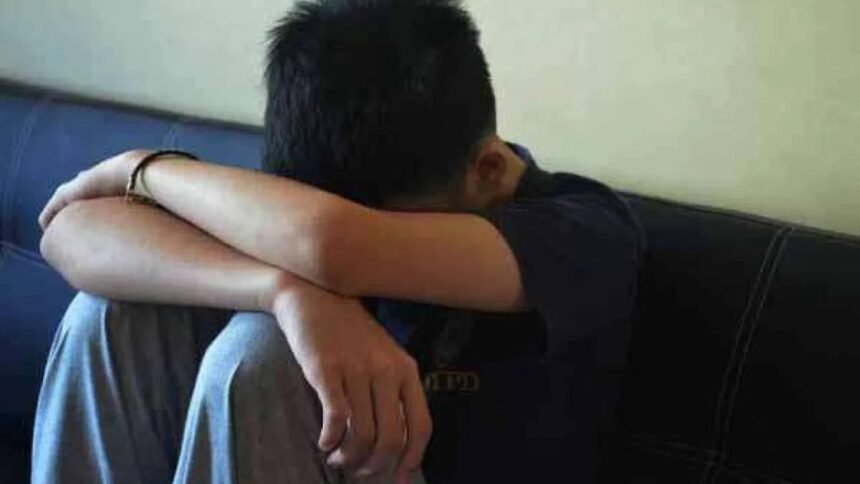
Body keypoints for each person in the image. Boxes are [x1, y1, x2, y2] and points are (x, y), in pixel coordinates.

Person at [32, 0, 643, 483]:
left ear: (488, 170)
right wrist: (283, 290)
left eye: (391, 223)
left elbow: (332, 245)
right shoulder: (323, 182)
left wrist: (140, 167)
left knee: (260, 356)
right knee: (114, 314)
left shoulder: (585, 232)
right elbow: (69, 232)